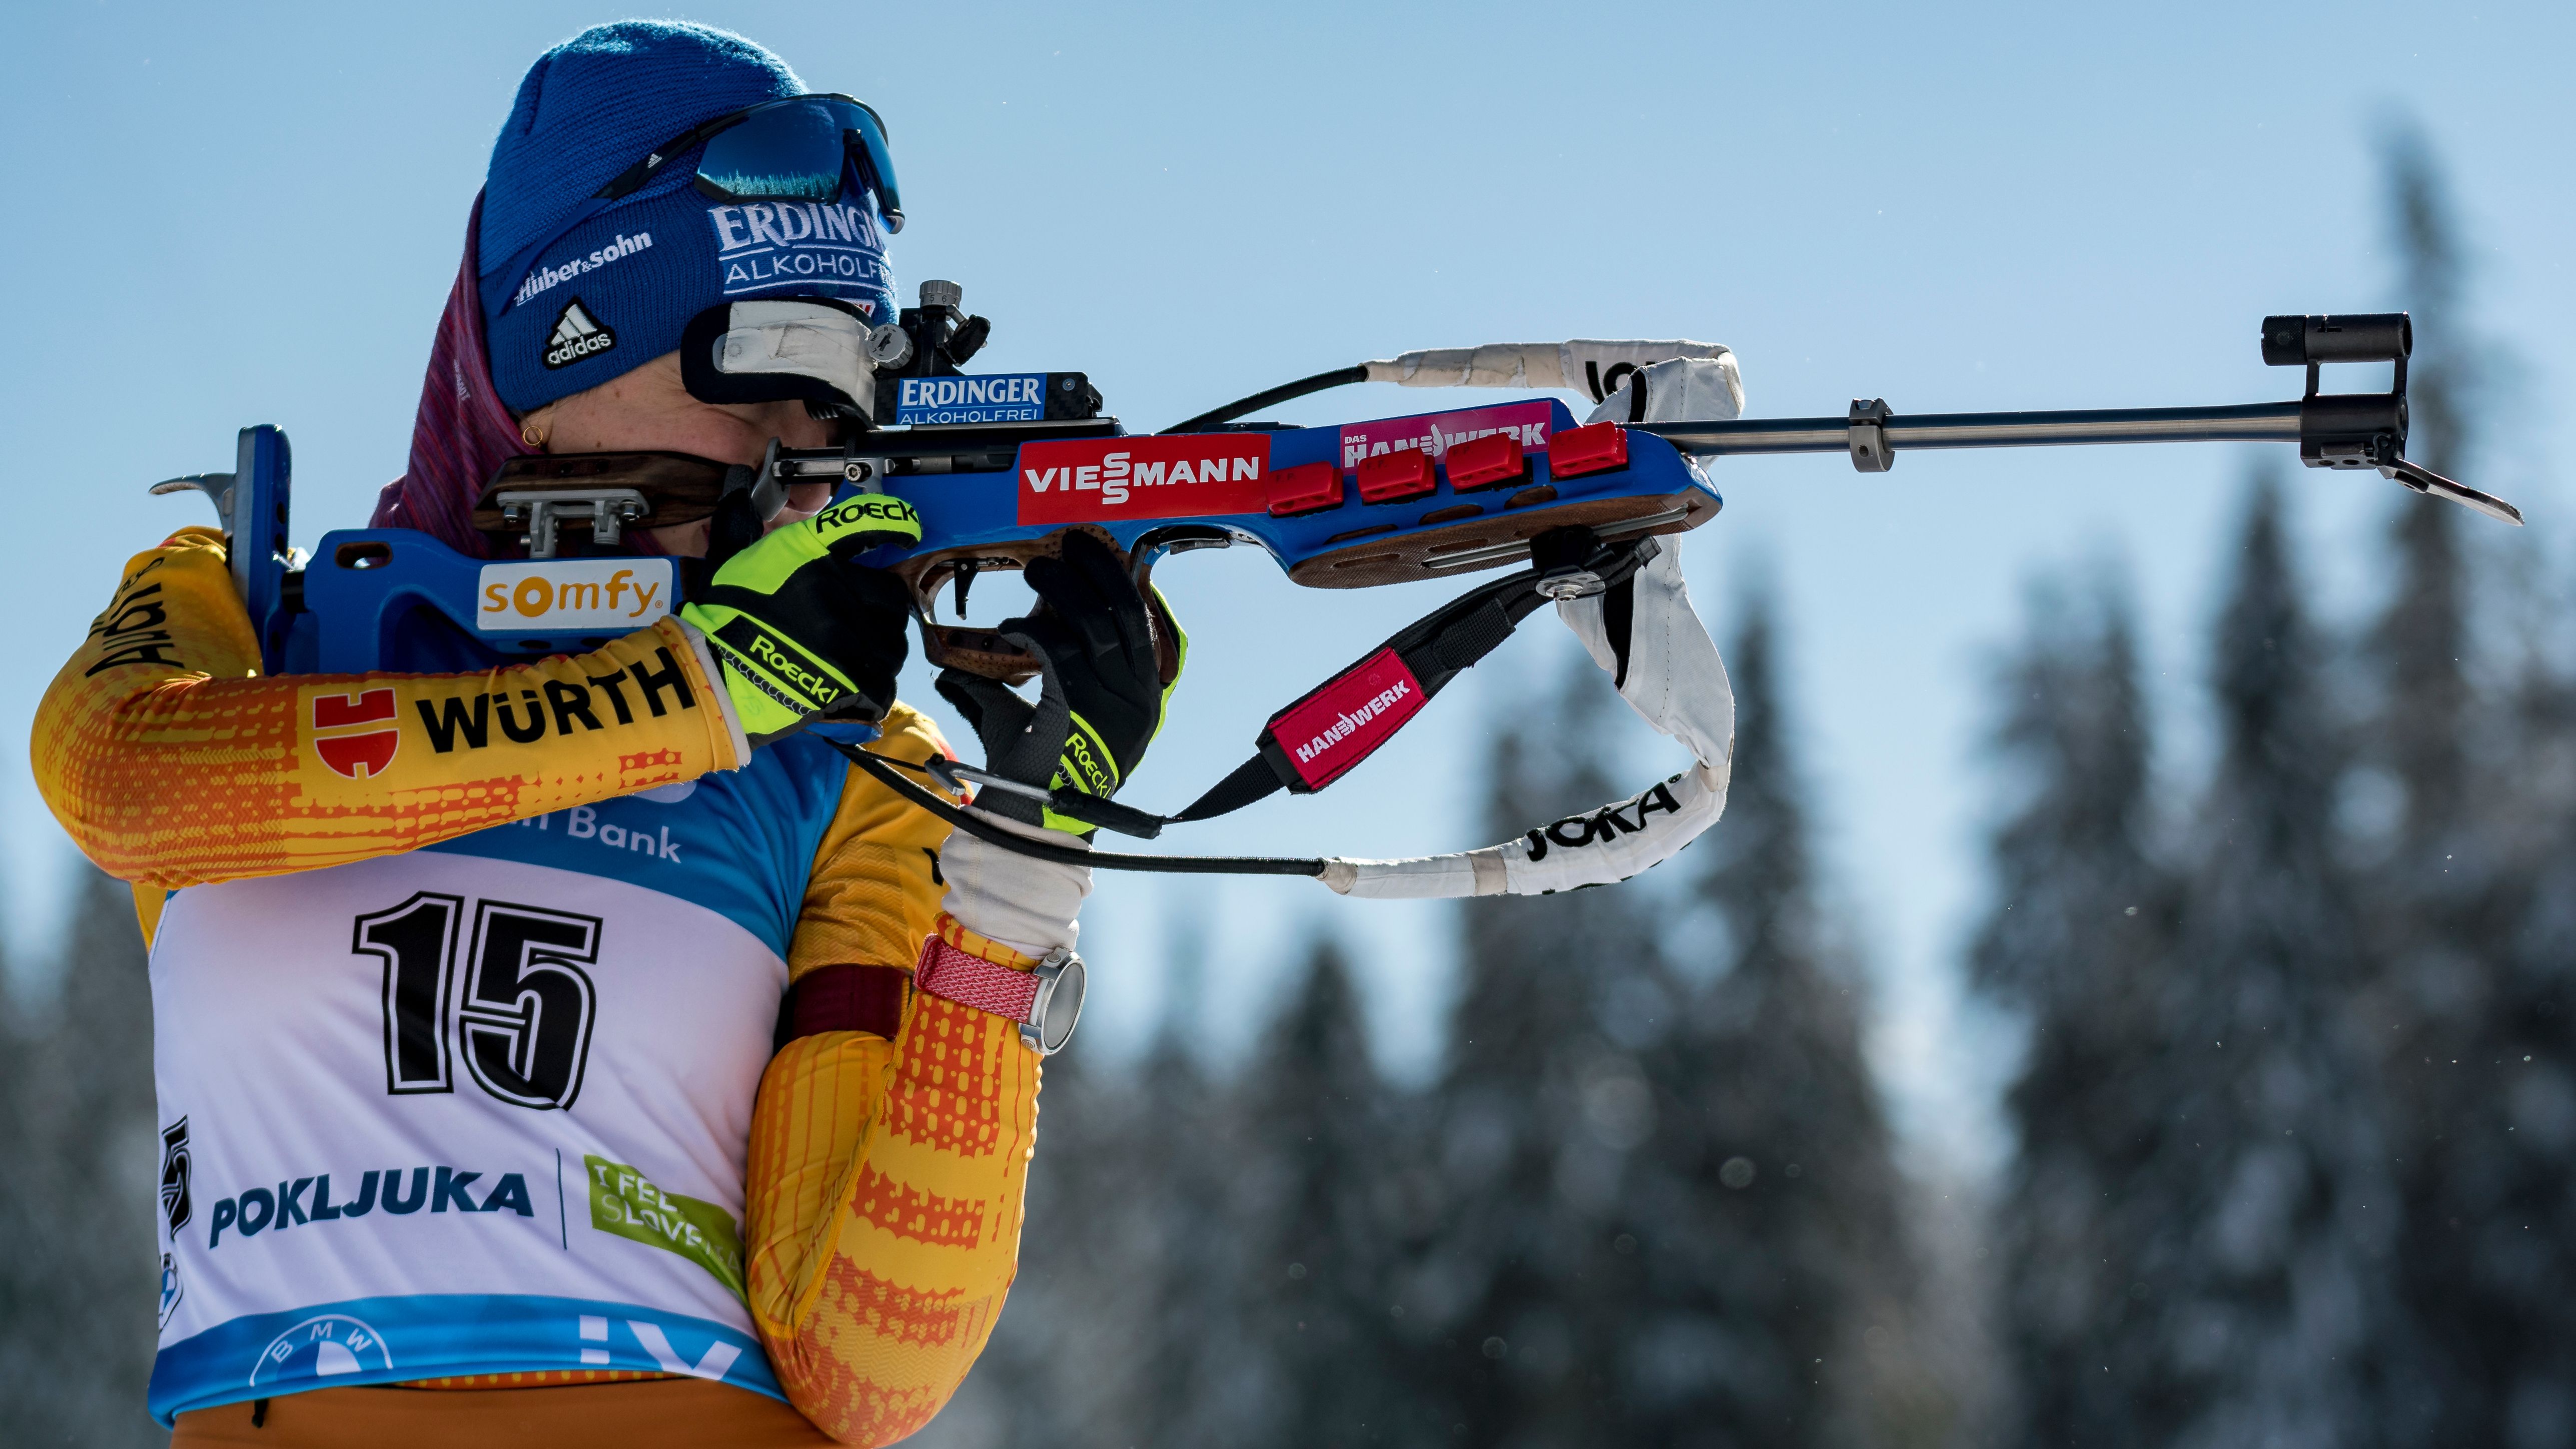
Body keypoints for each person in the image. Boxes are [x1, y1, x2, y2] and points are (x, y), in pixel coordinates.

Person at [31, 22, 1162, 1446]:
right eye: (756, 366)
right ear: (553, 352)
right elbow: (124, 783)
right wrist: (695, 700)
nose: (793, 445)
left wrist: (1016, 878)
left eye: (838, 393)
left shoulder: (856, 770)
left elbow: (870, 1366)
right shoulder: (257, 618)